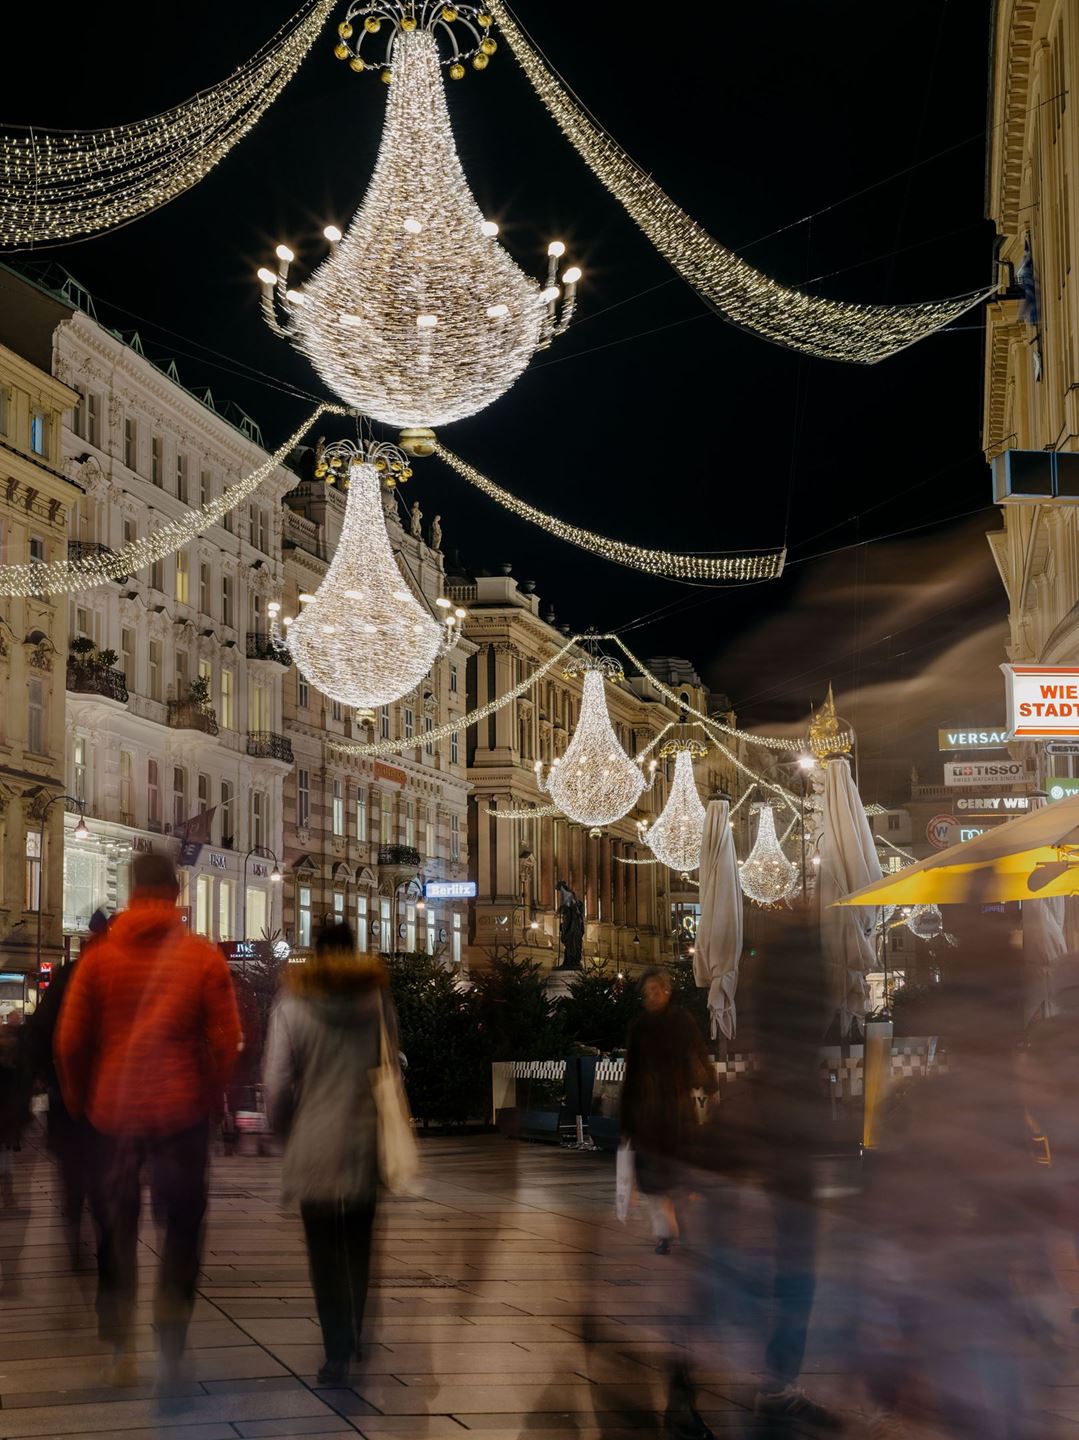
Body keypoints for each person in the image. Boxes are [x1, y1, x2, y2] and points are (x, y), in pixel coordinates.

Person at [55, 854, 242, 1389]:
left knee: (115, 1226)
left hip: (112, 1113)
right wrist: (210, 1090)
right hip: (180, 1113)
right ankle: (171, 1330)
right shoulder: (202, 958)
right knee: (182, 1221)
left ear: (133, 891)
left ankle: (118, 1345)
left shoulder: (99, 958)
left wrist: (77, 1097)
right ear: (176, 889)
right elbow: (227, 1040)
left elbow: (69, 1040)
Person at [263, 922, 398, 1385]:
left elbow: (276, 1083)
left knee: (323, 1252)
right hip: (364, 1140)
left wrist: (284, 1131)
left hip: (315, 1142)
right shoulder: (375, 1001)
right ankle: (356, 1330)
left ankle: (336, 1349)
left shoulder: (292, 1004)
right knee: (359, 1244)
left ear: (316, 954)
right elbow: (391, 1065)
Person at [25, 908, 109, 1264]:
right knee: (103, 1171)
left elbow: (43, 1032)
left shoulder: (69, 975)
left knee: (73, 1170)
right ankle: (102, 1237)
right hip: (105, 1095)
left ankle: (76, 1232)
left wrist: (39, 1073)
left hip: (69, 1095)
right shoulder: (113, 974)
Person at [620, 967, 715, 1254]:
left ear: (666, 991)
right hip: (648, 1114)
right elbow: (632, 1074)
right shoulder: (639, 1029)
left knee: (678, 1171)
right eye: (646, 992)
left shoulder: (682, 1023)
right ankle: (664, 1232)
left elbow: (699, 1055)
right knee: (652, 1178)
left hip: (677, 1109)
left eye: (655, 990)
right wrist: (627, 1120)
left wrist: (709, 1085)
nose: (651, 996)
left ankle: (679, 1218)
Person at [0, 1008, 29, 1209]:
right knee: (5, 1157)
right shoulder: (12, 1071)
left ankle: (9, 1197)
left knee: (5, 1157)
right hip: (6, 1117)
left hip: (6, 1117)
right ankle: (8, 1197)